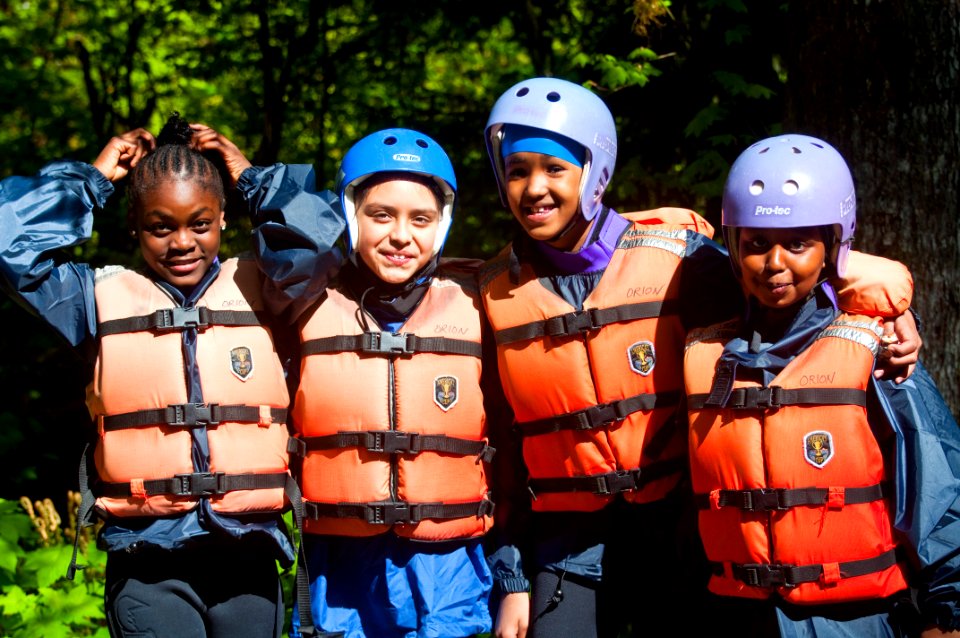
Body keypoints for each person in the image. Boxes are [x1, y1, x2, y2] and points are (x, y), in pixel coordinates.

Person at [477, 77, 922, 638]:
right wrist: (514, 579)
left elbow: (785, 297)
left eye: (555, 169)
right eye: (517, 171)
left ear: (595, 172)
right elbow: (501, 449)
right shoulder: (493, 293)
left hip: (680, 538)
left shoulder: (682, 262)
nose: (533, 188)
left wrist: (891, 312)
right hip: (569, 548)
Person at [0, 114, 304, 637]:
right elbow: (8, 243)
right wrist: (91, 181)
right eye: (161, 226)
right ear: (135, 228)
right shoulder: (93, 300)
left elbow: (321, 244)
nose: (181, 242)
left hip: (248, 561)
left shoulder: (270, 287)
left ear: (224, 218)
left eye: (199, 223)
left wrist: (249, 174)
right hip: (145, 561)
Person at [199, 126, 506, 638]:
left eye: (421, 219)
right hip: (337, 567)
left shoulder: (479, 303)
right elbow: (296, 241)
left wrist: (512, 572)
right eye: (380, 215)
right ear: (350, 217)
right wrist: (254, 179)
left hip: (447, 568)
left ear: (444, 225)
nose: (401, 235)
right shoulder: (304, 298)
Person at [683, 133, 960, 636]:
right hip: (737, 618)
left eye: (798, 244)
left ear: (835, 245)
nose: (774, 264)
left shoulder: (878, 353)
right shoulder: (702, 354)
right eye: (756, 245)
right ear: (733, 245)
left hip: (856, 620)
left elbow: (937, 491)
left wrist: (949, 611)